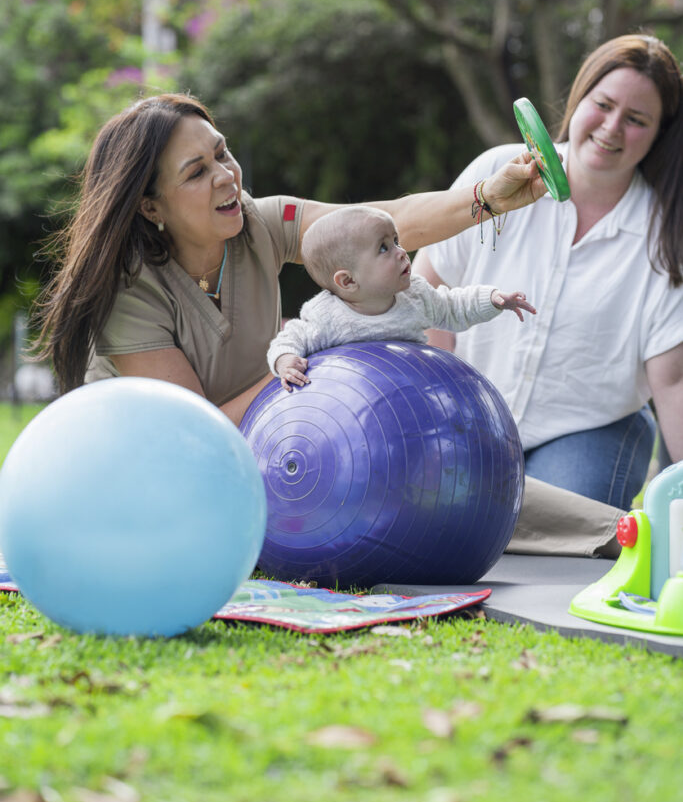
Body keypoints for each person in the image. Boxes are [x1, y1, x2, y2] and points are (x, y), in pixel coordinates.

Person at [35, 93, 549, 425]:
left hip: (266, 435)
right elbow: (195, 434)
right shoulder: (131, 293)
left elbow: (384, 223)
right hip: (155, 474)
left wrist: (490, 197)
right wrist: (319, 360)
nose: (225, 175)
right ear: (151, 207)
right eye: (196, 172)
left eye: (222, 152)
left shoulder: (262, 223)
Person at [413, 33, 683, 510]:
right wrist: (442, 399)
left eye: (637, 119)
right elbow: (429, 283)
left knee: (543, 534)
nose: (613, 127)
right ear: (579, 99)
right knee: (446, 516)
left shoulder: (665, 237)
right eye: (603, 104)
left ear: (659, 134)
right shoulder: (500, 170)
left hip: (588, 430)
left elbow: (673, 382)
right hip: (472, 412)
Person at [268, 205, 535, 390]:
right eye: (384, 248)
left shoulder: (415, 296)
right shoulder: (326, 316)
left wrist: (492, 299)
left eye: (396, 240)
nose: (401, 252)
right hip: (354, 402)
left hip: (408, 394)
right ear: (348, 281)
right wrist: (285, 360)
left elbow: (453, 307)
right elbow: (291, 337)